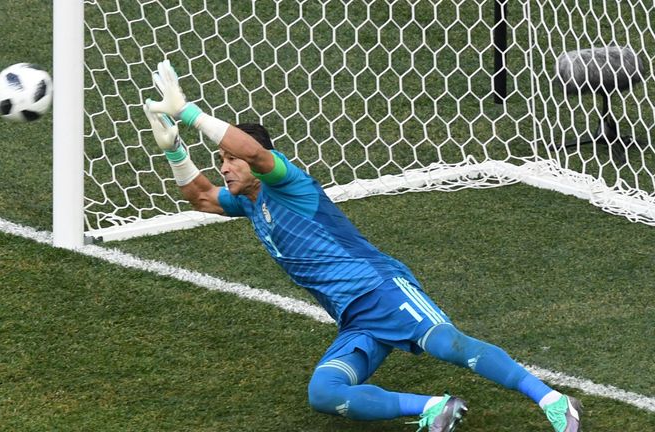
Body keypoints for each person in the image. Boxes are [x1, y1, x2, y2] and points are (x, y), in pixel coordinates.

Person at [144, 59, 582, 432]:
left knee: (448, 344)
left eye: (230, 160)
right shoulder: (250, 203)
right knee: (324, 392)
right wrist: (174, 151)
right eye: (221, 161)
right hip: (354, 317)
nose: (224, 168)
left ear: (259, 162)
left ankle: (553, 401)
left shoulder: (289, 186)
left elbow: (255, 154)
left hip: (380, 289)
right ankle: (433, 408)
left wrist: (191, 115)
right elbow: (200, 197)